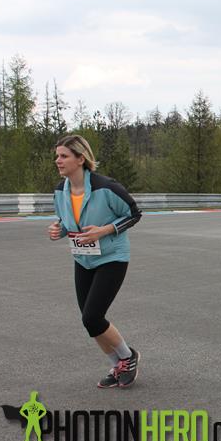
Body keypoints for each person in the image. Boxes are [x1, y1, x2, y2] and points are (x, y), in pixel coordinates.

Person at [48, 134, 142, 388]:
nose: (58, 160)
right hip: (83, 260)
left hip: (112, 257)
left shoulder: (106, 187)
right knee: (89, 321)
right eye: (57, 156)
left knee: (92, 316)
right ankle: (117, 365)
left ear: (81, 159)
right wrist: (58, 230)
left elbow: (134, 214)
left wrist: (105, 230)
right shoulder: (60, 190)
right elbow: (67, 222)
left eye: (64, 156)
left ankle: (127, 357)